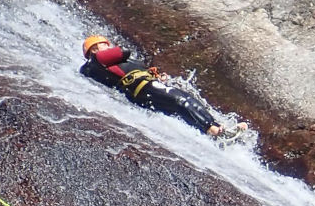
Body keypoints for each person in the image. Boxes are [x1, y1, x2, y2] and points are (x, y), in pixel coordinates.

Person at [80, 34, 225, 136]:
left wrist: (156, 76)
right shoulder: (96, 60)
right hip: (143, 88)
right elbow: (123, 51)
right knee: (181, 100)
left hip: (142, 91)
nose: (108, 46)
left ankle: (215, 128)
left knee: (180, 106)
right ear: (94, 49)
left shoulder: (107, 65)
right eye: (104, 45)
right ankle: (211, 127)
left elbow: (136, 67)